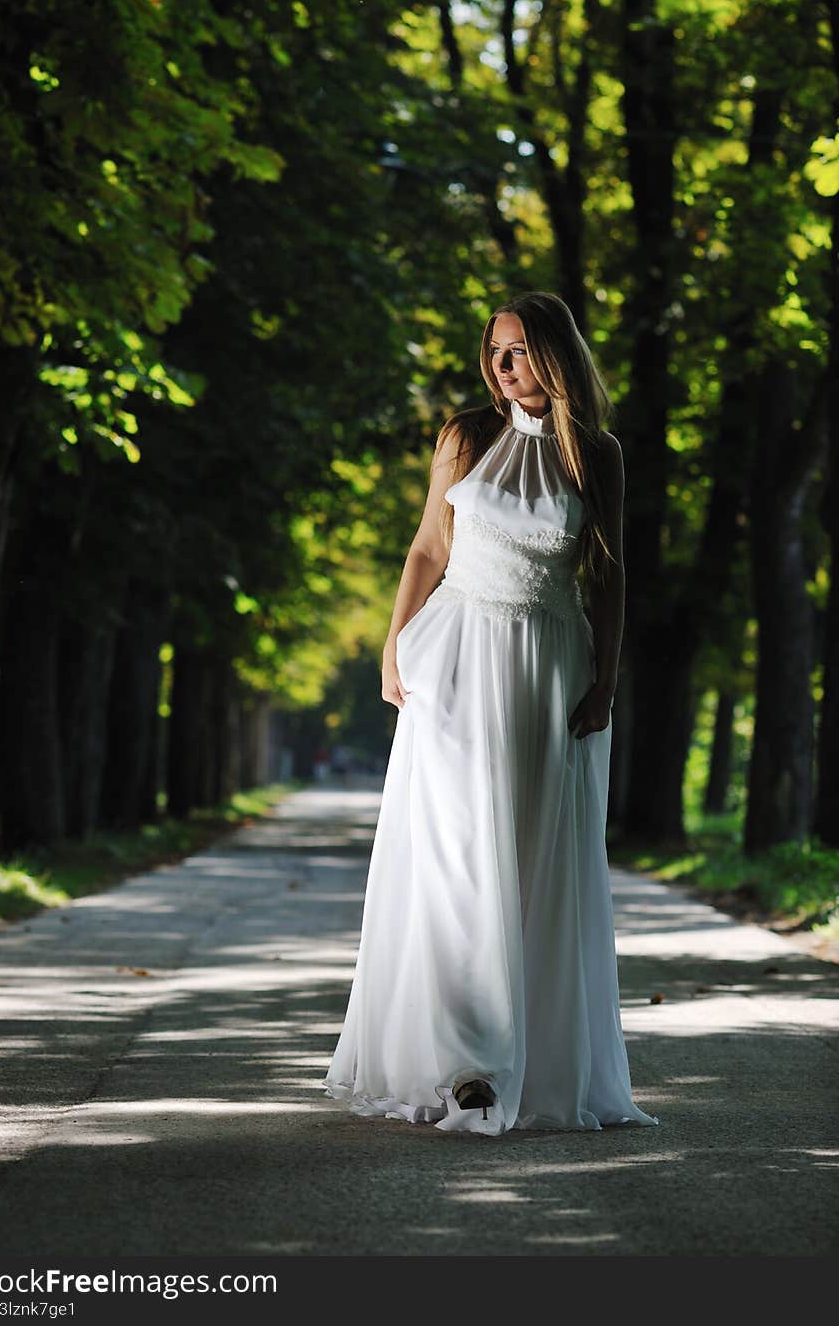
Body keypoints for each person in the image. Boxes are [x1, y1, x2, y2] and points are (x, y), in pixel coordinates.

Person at [322, 291, 658, 1136]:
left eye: (520, 349)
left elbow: (610, 577)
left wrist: (606, 679)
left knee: (531, 857)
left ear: (556, 354)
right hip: (459, 659)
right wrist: (394, 645)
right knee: (458, 857)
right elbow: (430, 547)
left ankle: (527, 1057)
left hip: (551, 665)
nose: (506, 364)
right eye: (497, 351)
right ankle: (465, 1060)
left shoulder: (600, 456)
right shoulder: (466, 436)